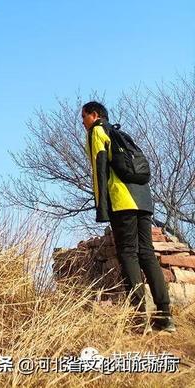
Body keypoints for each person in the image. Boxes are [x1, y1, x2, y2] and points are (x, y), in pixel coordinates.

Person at [81, 100, 176, 333]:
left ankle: (139, 317)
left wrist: (101, 208)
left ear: (94, 115)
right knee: (147, 254)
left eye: (83, 117)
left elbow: (99, 169)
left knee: (128, 254)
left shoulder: (98, 132)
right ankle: (165, 317)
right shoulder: (120, 133)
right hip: (144, 201)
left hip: (122, 201)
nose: (82, 122)